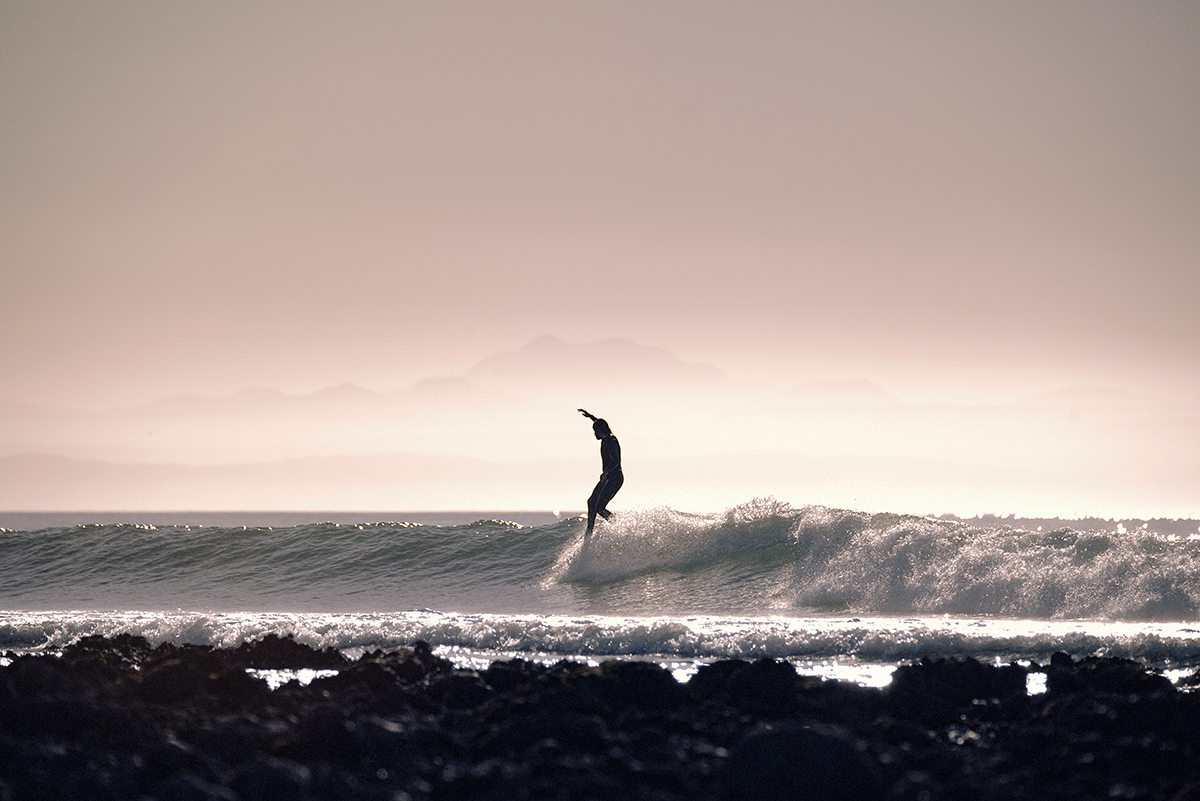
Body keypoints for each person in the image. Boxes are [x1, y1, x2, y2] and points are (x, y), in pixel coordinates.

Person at [578, 408, 623, 535]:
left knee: (599, 507)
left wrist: (606, 472)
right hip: (608, 478)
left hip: (615, 478)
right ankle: (589, 532)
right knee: (591, 501)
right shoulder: (605, 439)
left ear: (601, 431)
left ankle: (618, 526)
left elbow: (615, 461)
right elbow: (599, 422)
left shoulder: (611, 441)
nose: (594, 434)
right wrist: (590, 416)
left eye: (595, 431)